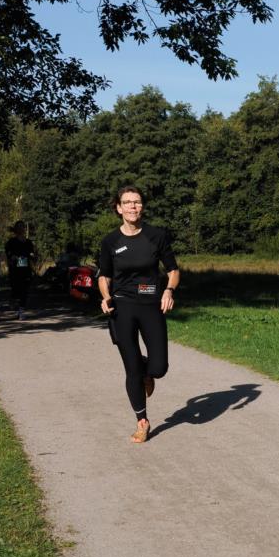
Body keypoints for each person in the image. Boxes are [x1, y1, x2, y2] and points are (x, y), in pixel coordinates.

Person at [98, 186, 180, 443]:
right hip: (122, 306)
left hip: (152, 304)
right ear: (119, 208)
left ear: (142, 207)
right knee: (130, 367)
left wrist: (168, 290)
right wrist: (105, 296)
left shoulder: (157, 236)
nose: (133, 206)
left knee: (159, 367)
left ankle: (148, 372)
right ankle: (142, 421)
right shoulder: (110, 241)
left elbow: (173, 270)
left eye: (137, 202)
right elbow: (104, 276)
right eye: (127, 202)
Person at [5, 221, 37, 320]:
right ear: (15, 229)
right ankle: (13, 299)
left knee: (25, 290)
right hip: (15, 269)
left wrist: (33, 256)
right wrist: (12, 257)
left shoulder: (28, 242)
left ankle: (21, 310)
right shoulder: (11, 242)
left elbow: (32, 254)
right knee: (16, 290)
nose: (21, 229)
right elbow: (8, 253)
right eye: (19, 227)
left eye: (22, 227)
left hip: (26, 269)